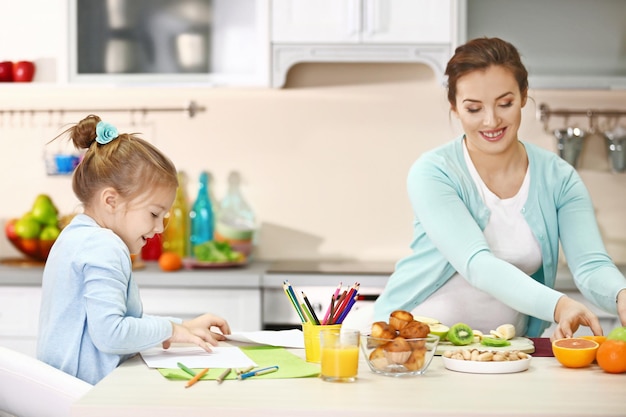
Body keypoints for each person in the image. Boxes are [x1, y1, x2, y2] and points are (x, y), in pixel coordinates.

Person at [351, 37, 626, 340]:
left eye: (504, 103)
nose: (491, 120)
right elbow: (477, 264)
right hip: (409, 345)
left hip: (502, 352)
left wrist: (621, 294)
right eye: (474, 108)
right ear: (454, 107)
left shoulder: (558, 178)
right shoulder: (434, 171)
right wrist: (559, 305)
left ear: (523, 96)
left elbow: (590, 264)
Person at [37, 115, 231, 385]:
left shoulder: (74, 237)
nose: (160, 228)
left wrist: (181, 327)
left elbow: (116, 321)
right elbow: (111, 333)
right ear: (111, 201)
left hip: (62, 391)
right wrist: (172, 330)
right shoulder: (105, 246)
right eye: (153, 213)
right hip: (84, 397)